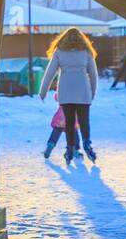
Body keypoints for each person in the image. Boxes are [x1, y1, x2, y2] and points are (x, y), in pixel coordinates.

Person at [38, 26, 99, 164]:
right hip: (83, 91)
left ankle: (70, 148)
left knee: (70, 122)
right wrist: (93, 92)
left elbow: (49, 73)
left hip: (65, 92)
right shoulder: (87, 52)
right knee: (84, 121)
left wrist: (43, 92)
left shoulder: (59, 52)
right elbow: (93, 75)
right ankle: (87, 144)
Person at [42, 92, 65, 160]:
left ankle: (50, 145)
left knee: (57, 129)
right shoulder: (78, 85)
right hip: (73, 113)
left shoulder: (63, 84)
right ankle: (75, 149)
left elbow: (56, 97)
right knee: (73, 131)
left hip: (62, 114)